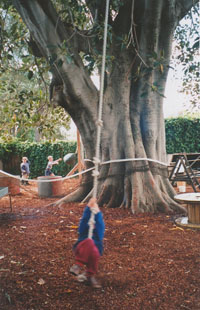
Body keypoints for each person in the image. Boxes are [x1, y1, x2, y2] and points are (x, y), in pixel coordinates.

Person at [70, 197, 105, 289]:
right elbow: (84, 221)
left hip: (93, 251)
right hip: (81, 248)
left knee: (95, 251)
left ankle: (90, 275)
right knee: (89, 241)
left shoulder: (98, 233)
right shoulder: (84, 230)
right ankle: (78, 265)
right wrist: (88, 208)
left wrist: (97, 214)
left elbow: (101, 227)